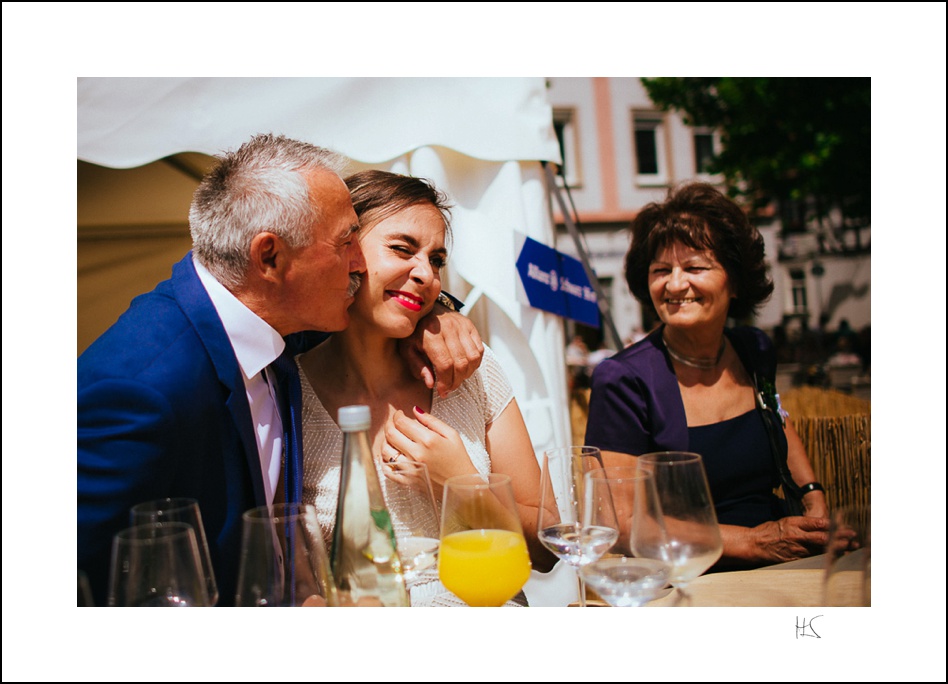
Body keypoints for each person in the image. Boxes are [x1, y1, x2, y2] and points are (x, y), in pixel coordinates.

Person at [77, 135, 485, 607]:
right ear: (270, 257)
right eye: (346, 242)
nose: (360, 263)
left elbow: (382, 307)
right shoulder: (142, 387)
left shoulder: (281, 322)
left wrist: (440, 315)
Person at [296, 170, 555, 604]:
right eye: (401, 249)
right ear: (345, 251)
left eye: (436, 260)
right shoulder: (288, 393)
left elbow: (547, 550)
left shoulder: (470, 369)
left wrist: (459, 482)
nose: (426, 274)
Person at [584, 182, 829, 569]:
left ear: (734, 280)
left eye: (695, 267)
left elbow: (778, 421)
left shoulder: (754, 350)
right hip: (688, 575)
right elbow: (620, 523)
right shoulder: (623, 381)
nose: (675, 284)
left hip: (785, 559)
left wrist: (814, 498)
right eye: (661, 270)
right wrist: (750, 541)